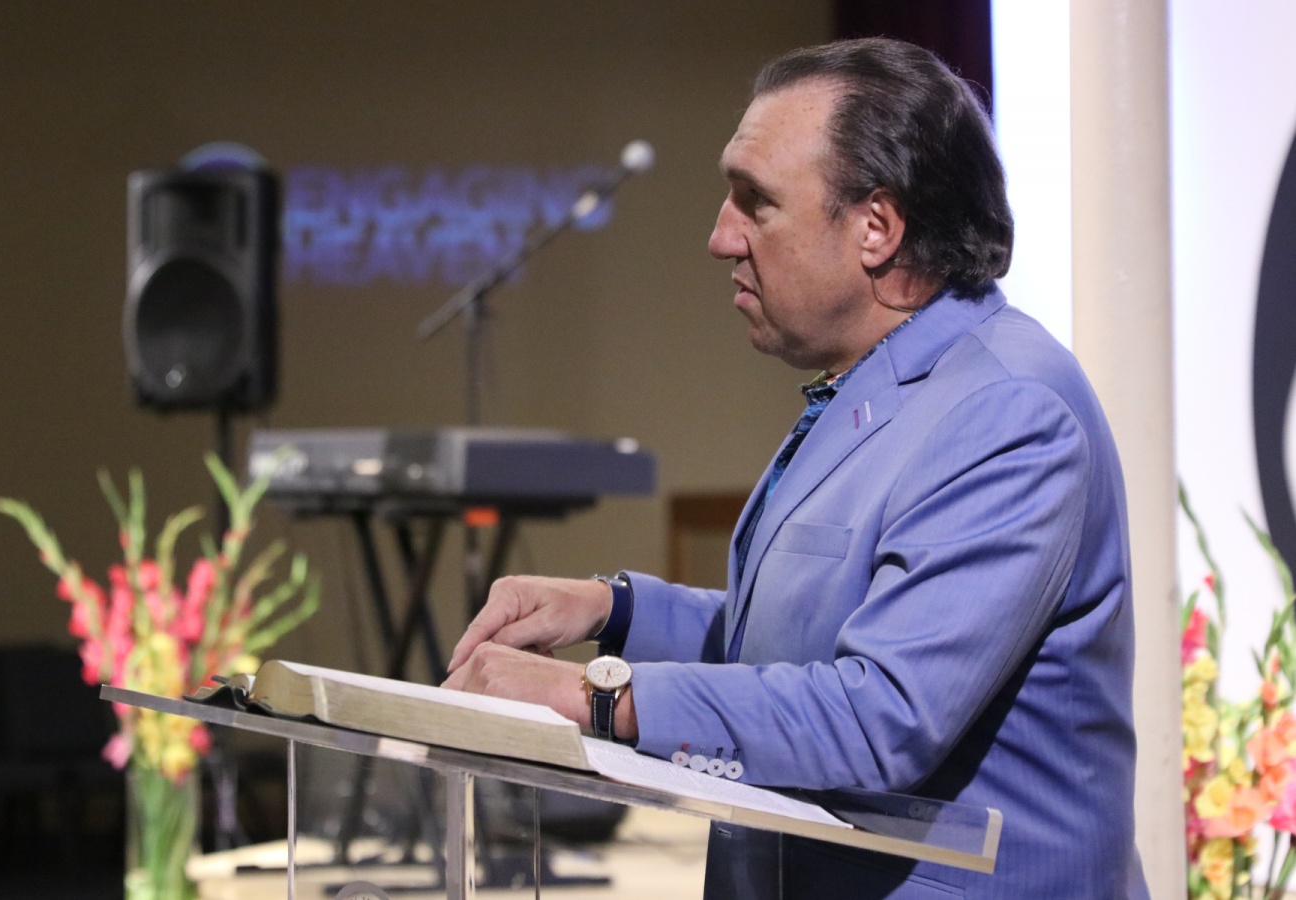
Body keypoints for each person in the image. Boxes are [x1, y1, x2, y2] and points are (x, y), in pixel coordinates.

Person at [444, 37, 1149, 899]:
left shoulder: (1008, 411)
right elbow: (791, 643)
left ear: (877, 227)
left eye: (757, 202)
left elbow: (879, 714)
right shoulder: (876, 381)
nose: (720, 237)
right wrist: (612, 609)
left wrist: (590, 697)